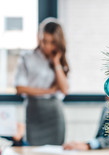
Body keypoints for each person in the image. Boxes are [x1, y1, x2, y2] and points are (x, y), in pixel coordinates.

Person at [15, 18, 69, 146]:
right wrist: (48, 91)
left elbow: (65, 89)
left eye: (52, 42)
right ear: (38, 37)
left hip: (54, 112)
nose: (47, 46)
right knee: (33, 150)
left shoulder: (60, 60)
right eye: (44, 41)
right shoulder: (27, 57)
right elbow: (20, 88)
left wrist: (56, 63)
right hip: (34, 110)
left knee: (56, 151)